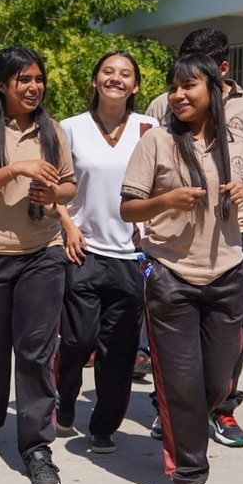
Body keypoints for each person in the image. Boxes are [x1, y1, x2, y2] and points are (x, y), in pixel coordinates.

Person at [121, 53, 243, 484]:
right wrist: (166, 199)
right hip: (172, 275)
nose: (178, 95)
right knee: (182, 384)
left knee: (215, 381)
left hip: (228, 273)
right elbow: (128, 209)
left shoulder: (239, 143)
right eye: (173, 87)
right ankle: (189, 474)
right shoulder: (158, 143)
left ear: (212, 89)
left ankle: (185, 425)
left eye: (189, 86)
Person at [145, 28, 243, 448]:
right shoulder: (163, 105)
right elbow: (145, 164)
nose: (182, 86)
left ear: (221, 69)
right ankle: (169, 408)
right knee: (175, 332)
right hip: (178, 241)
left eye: (198, 70)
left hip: (235, 232)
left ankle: (221, 407)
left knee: (234, 327)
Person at [0, 46, 77, 484]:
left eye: (38, 79)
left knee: (36, 352)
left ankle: (36, 447)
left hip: (42, 254)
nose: (33, 87)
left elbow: (69, 185)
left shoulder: (52, 129)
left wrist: (55, 197)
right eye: (23, 79)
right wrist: (15, 169)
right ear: (2, 84)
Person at [56, 51, 157, 454]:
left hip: (131, 256)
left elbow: (163, 185)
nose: (116, 78)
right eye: (108, 72)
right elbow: (55, 186)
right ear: (95, 79)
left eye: (125, 74)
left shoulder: (150, 130)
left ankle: (103, 427)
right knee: (78, 341)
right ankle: (64, 402)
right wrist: (66, 226)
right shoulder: (70, 129)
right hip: (82, 250)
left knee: (119, 350)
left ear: (135, 86)